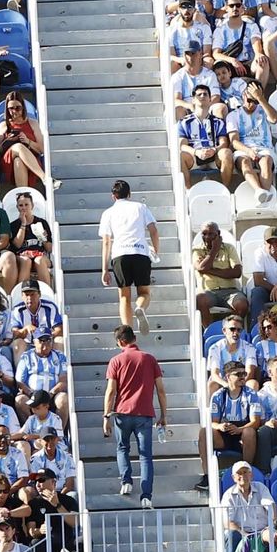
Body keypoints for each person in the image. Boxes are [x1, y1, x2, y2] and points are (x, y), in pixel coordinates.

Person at [103, 324, 167, 507]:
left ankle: (126, 482)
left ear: (120, 342)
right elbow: (161, 391)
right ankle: (146, 495)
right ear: (134, 339)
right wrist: (164, 415)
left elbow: (111, 391)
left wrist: (106, 416)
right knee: (145, 456)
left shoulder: (115, 361)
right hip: (144, 413)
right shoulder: (150, 359)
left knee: (122, 448)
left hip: (122, 413)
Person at [98, 179, 160, 334]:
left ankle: (128, 333)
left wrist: (104, 269)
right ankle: (140, 307)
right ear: (130, 194)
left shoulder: (108, 213)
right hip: (140, 252)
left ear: (113, 196)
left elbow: (106, 241)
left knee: (124, 297)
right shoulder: (140, 207)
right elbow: (153, 230)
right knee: (144, 292)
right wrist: (156, 251)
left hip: (120, 255)